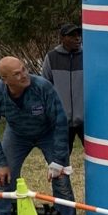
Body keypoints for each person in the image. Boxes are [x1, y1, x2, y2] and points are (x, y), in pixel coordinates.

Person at [0, 56, 78, 215]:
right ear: (5, 79)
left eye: (24, 69)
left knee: (61, 179)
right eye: (17, 74)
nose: (24, 75)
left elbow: (60, 123)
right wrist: (1, 163)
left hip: (48, 132)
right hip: (17, 134)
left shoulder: (42, 87)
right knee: (3, 181)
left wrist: (58, 160)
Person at [41, 23, 84, 154]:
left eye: (78, 35)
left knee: (98, 155)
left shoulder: (88, 55)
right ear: (62, 38)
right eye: (72, 36)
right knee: (60, 159)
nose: (77, 38)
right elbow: (45, 86)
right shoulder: (51, 57)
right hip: (61, 119)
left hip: (86, 119)